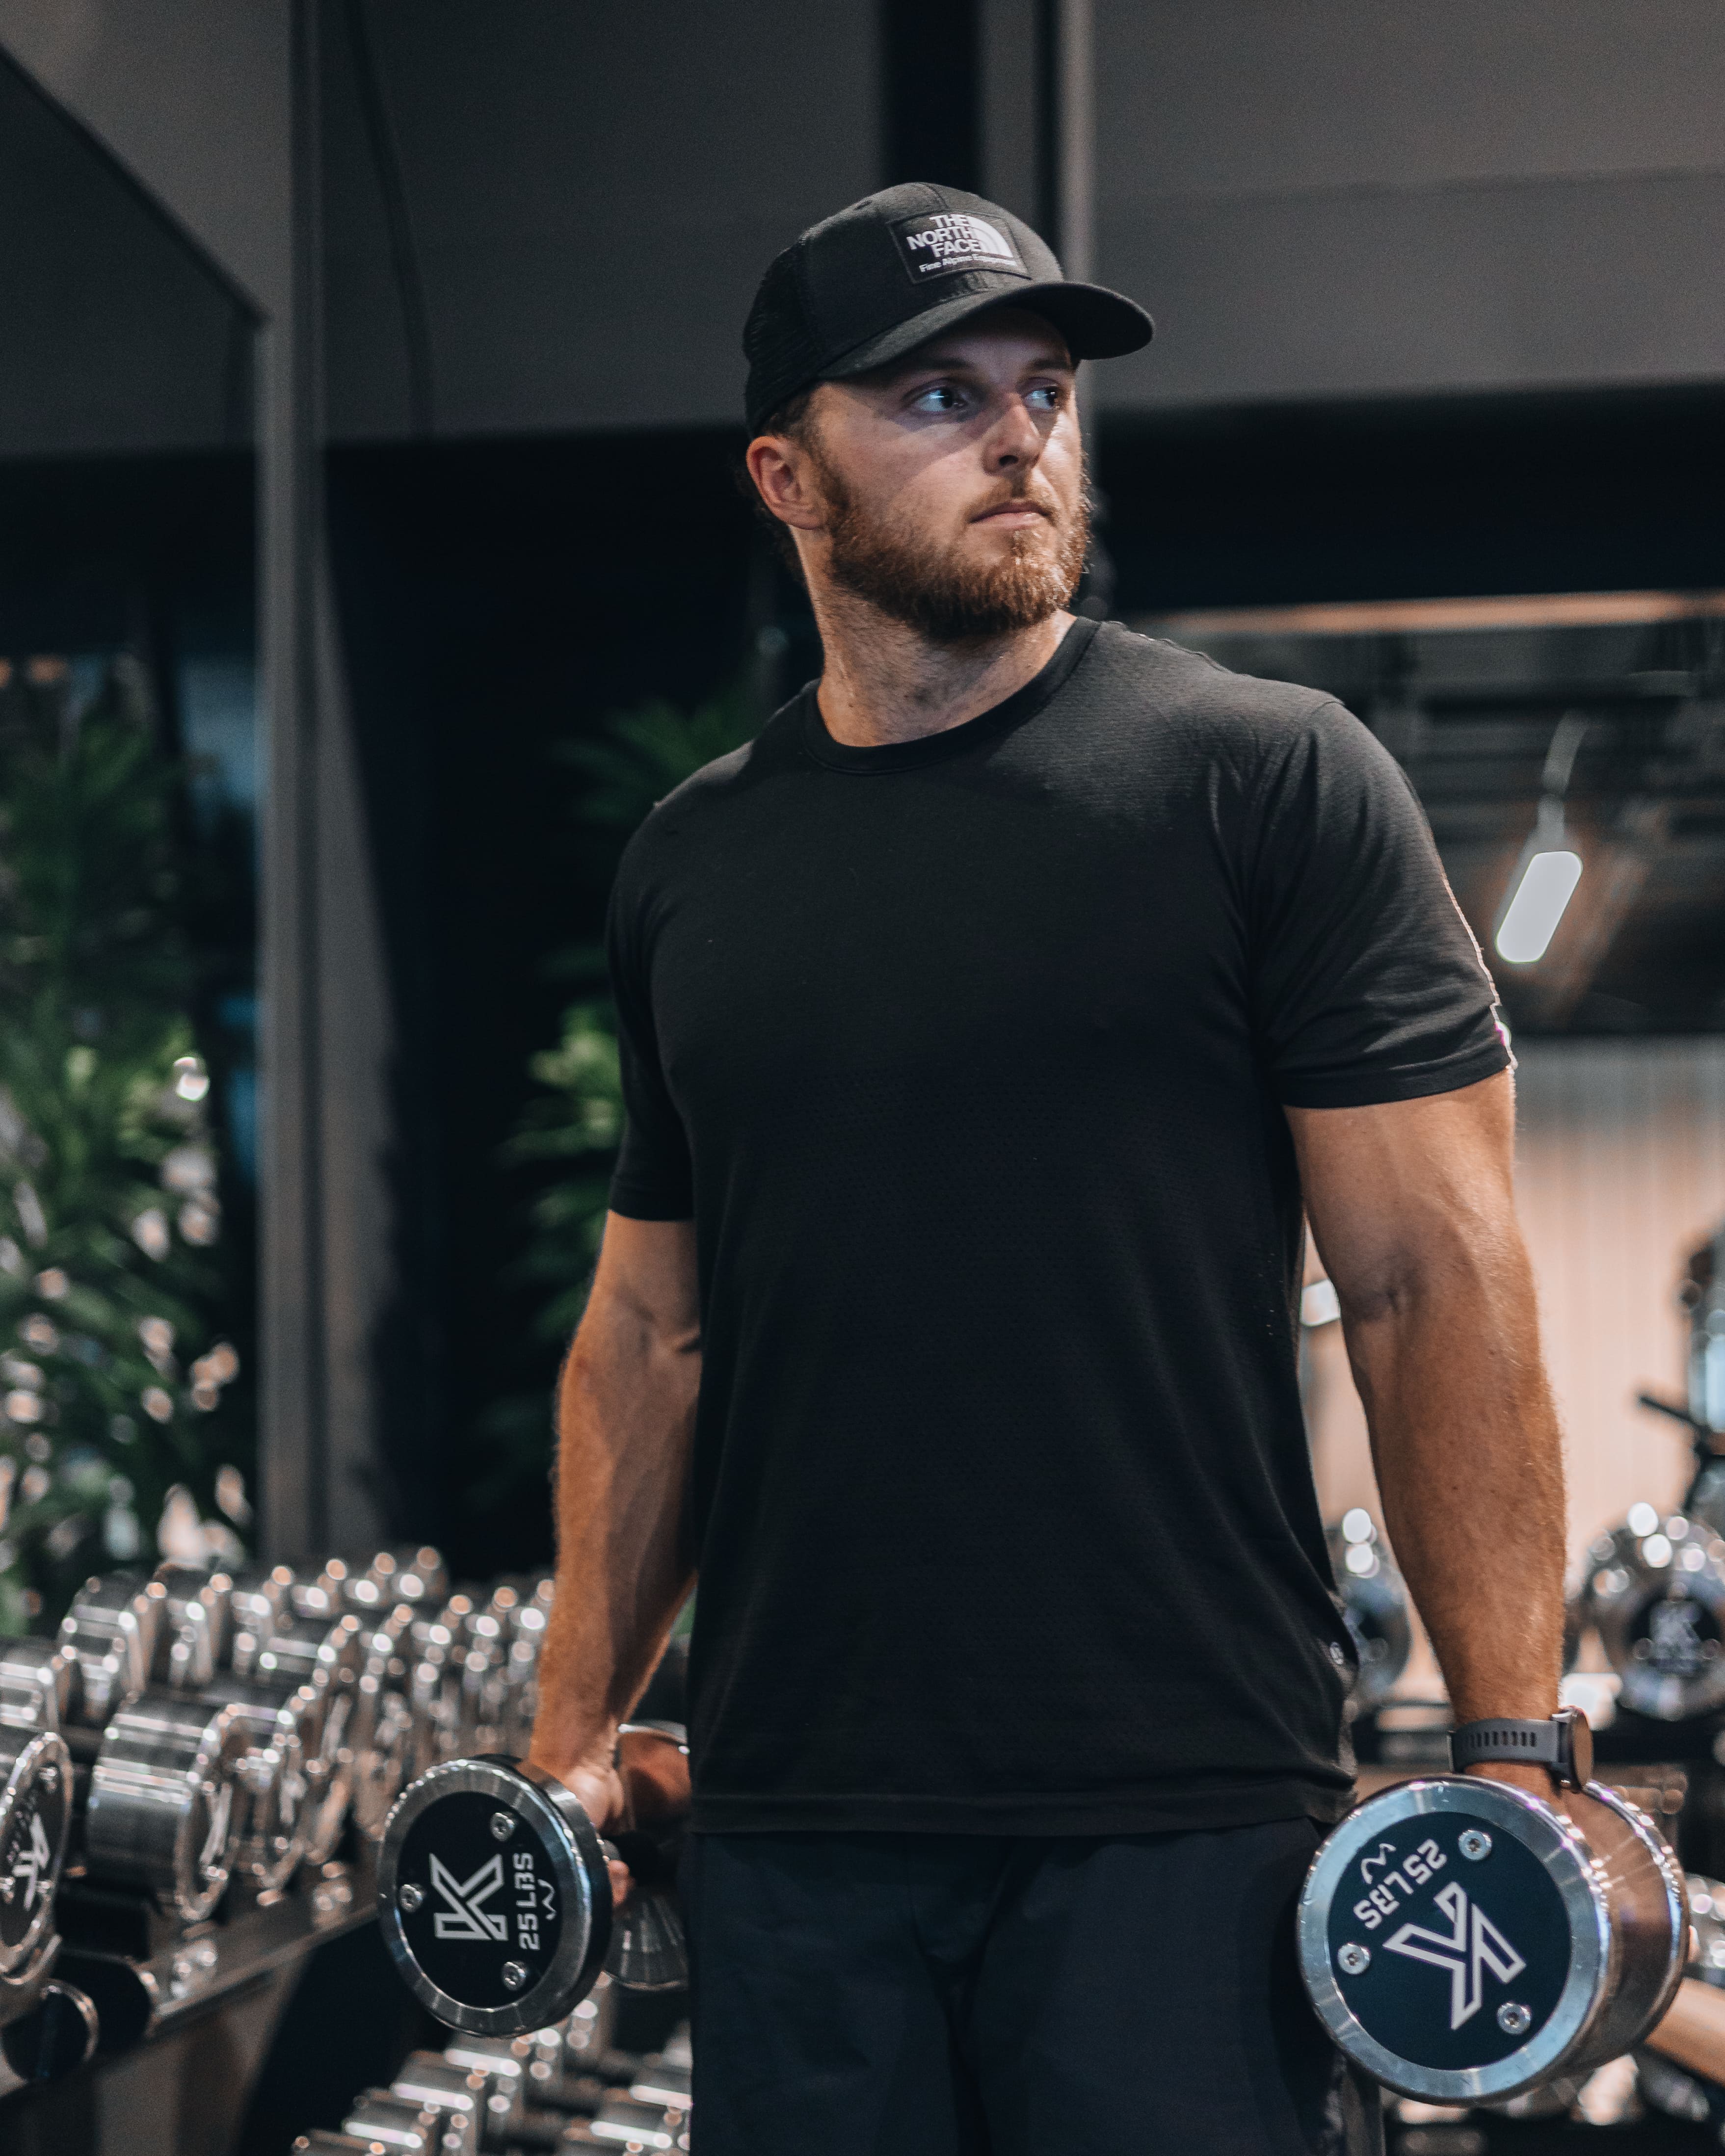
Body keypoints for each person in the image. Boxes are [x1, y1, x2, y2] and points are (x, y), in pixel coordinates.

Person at [527, 183, 1567, 2156]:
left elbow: (1439, 1278)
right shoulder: (695, 862)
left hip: (1178, 1812)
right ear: (786, 475)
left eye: (1049, 390)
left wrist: (1508, 1749)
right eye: (936, 395)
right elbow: (650, 1335)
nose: (1021, 435)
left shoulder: (1265, 778)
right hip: (801, 1827)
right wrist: (577, 1739)